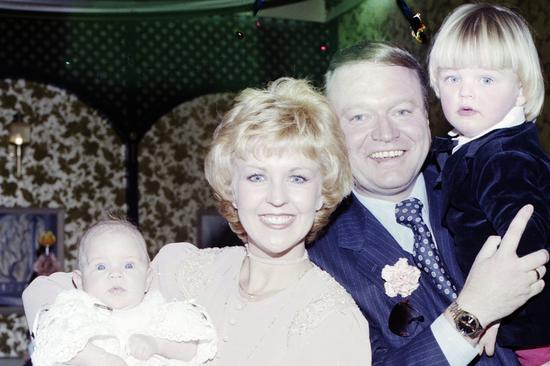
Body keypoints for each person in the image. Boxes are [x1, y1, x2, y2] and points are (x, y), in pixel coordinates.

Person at [308, 41, 550, 366]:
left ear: (428, 116)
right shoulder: (318, 256)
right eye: (359, 117)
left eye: (402, 111)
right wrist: (472, 313)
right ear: (331, 131)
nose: (385, 133)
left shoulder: (487, 177)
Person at [23, 77, 371, 366]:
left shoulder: (332, 320)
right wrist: (86, 354)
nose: (276, 197)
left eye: (297, 178)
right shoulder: (185, 271)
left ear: (322, 192)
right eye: (256, 177)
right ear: (231, 188)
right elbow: (43, 291)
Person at [427, 4, 550, 365]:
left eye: (486, 79)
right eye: (453, 78)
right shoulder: (484, 146)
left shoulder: (502, 159)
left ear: (521, 91)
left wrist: (493, 311)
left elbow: (526, 244)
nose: (465, 93)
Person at [30, 219, 218, 366]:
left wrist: (157, 344)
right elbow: (53, 343)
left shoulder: (158, 310)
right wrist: (100, 359)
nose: (115, 274)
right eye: (101, 266)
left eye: (128, 265)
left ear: (147, 279)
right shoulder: (76, 310)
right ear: (79, 282)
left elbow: (192, 348)